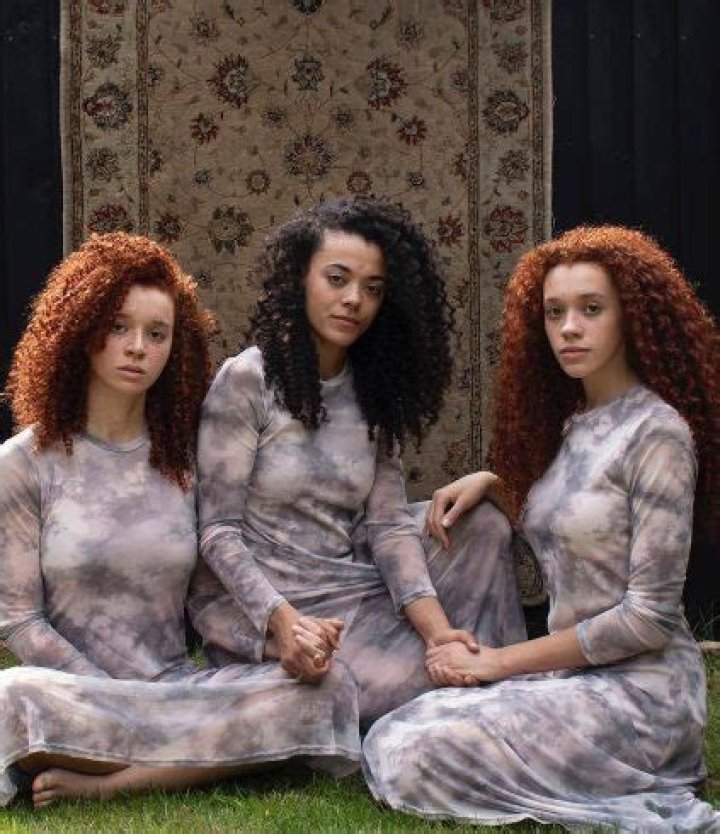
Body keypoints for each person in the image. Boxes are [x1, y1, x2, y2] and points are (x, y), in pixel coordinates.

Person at [362, 225, 720, 830]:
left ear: (632, 317)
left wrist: (499, 662)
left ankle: (651, 772)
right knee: (396, 732)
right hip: (570, 680)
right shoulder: (575, 422)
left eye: (591, 309)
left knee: (417, 751)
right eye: (555, 312)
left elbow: (648, 618)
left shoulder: (657, 435)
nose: (569, 328)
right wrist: (493, 484)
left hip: (642, 694)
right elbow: (580, 518)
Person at [0, 232, 358, 809]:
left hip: (175, 692)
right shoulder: (23, 462)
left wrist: (279, 646)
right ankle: (191, 757)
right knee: (11, 693)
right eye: (118, 327)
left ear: (176, 346)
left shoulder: (184, 459)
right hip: (77, 694)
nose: (137, 347)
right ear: (79, 329)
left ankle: (115, 782)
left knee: (330, 686)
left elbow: (208, 601)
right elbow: (21, 621)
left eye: (156, 333)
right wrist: (108, 697)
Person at [188, 195, 526, 725]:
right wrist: (284, 621)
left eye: (373, 288)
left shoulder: (372, 391)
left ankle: (483, 662)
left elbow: (388, 527)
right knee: (431, 690)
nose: (354, 300)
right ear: (301, 279)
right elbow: (217, 534)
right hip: (266, 608)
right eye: (337, 279)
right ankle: (466, 693)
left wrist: (437, 633)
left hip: (348, 582)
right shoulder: (248, 379)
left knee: (479, 524)